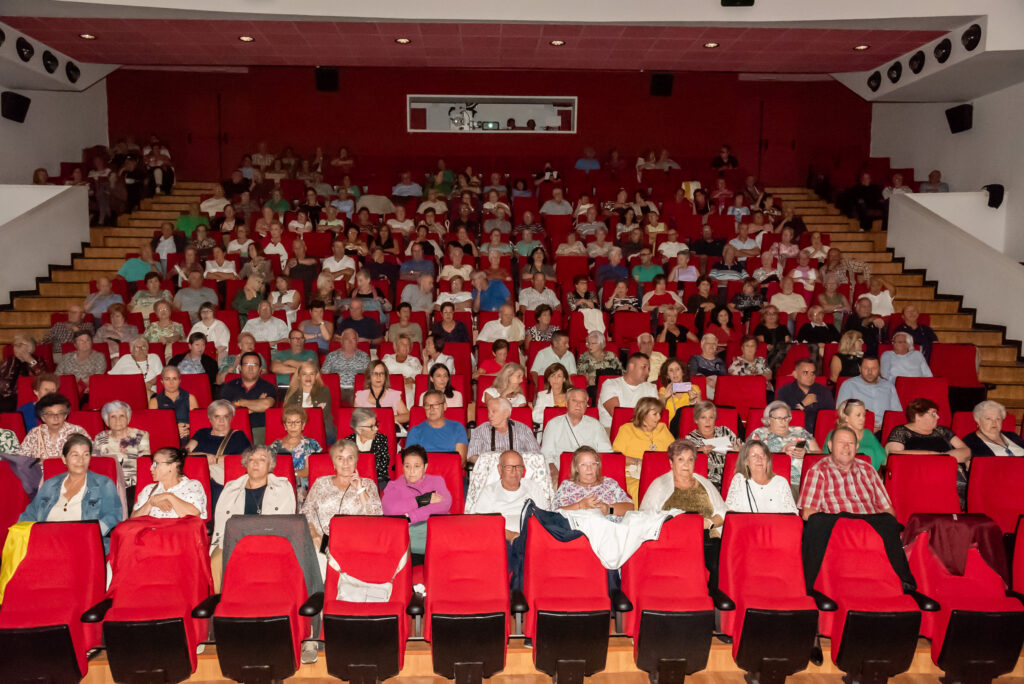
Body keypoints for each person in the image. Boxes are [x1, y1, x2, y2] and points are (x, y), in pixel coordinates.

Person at [798, 427, 917, 592]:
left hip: (870, 524)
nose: (846, 447)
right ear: (831, 446)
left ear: (857, 447)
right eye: (841, 443)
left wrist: (868, 524)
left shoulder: (868, 470)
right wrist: (844, 523)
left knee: (889, 521)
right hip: (839, 526)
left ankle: (905, 583)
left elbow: (888, 510)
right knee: (817, 522)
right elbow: (808, 513)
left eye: (850, 443)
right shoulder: (818, 470)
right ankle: (810, 588)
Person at [210, 446, 297, 587]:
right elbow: (222, 521)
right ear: (246, 464)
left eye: (262, 460)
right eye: (251, 459)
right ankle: (222, 601)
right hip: (234, 540)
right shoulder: (231, 488)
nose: (255, 463)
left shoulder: (283, 487)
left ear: (270, 466)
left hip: (268, 539)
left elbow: (284, 523)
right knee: (216, 560)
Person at [19, 434, 122, 549]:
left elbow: (113, 517)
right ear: (64, 459)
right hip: (46, 542)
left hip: (84, 545)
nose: (81, 460)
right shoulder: (50, 484)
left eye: (86, 454)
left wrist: (87, 535)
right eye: (75, 455)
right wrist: (24, 534)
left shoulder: (103, 484)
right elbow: (30, 514)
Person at [640, 440, 726, 541]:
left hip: (706, 541)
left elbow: (723, 512)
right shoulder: (659, 484)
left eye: (690, 460)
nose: (686, 464)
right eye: (681, 459)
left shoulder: (704, 483)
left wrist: (709, 523)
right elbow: (644, 518)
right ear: (671, 463)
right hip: (670, 541)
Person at [382, 445, 453, 554]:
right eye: (407, 466)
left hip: (434, 529)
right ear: (402, 467)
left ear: (425, 467)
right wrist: (422, 500)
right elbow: (390, 509)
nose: (411, 471)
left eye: (417, 466)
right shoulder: (394, 485)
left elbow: (444, 504)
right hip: (409, 535)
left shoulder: (436, 481)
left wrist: (410, 517)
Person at [884, 398, 970, 487]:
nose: (938, 417)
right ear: (918, 416)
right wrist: (935, 456)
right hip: (918, 476)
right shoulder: (901, 431)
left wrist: (944, 457)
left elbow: (966, 450)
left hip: (948, 472)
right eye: (933, 413)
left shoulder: (943, 430)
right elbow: (895, 454)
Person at [467, 449, 550, 541]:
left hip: (531, 538)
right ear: (500, 469)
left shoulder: (533, 487)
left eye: (518, 467)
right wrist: (509, 535)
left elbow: (544, 518)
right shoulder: (489, 491)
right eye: (509, 467)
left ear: (523, 469)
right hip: (500, 539)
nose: (514, 471)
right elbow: (481, 522)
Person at [612, 397, 674, 503]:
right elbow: (616, 458)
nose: (659, 417)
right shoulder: (626, 429)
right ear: (643, 414)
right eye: (655, 414)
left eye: (660, 413)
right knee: (643, 492)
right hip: (634, 476)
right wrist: (638, 462)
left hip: (660, 473)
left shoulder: (662, 428)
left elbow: (675, 451)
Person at [749, 401, 820, 486]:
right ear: (769, 420)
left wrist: (807, 454)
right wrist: (780, 455)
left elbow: (820, 455)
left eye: (786, 418)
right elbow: (750, 460)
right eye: (779, 418)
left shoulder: (800, 431)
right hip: (773, 482)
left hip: (805, 481)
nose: (783, 422)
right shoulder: (759, 434)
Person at [93, 399, 150, 503]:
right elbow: (96, 465)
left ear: (128, 418)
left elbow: (144, 465)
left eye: (122, 416)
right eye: (113, 416)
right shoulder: (100, 438)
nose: (117, 420)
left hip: (133, 485)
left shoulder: (140, 436)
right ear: (107, 420)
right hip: (107, 484)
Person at [553, 447, 633, 520]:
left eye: (593, 464)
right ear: (576, 468)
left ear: (598, 466)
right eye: (583, 465)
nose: (589, 469)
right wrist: (580, 506)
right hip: (578, 532)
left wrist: (608, 509)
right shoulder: (567, 486)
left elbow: (630, 507)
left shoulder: (609, 483)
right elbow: (554, 513)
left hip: (611, 530)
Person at [724, 439, 798, 513]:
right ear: (746, 461)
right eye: (754, 456)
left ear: (767, 460)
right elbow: (730, 512)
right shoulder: (740, 479)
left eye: (762, 455)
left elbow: (793, 515)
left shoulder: (781, 482)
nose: (759, 459)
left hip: (776, 524)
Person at [132, 446, 208, 519]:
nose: (151, 468)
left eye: (155, 464)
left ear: (172, 466)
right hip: (152, 530)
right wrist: (150, 502)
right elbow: (133, 520)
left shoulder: (192, 485)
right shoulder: (149, 489)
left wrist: (169, 496)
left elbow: (194, 515)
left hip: (178, 531)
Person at [218, 351, 276, 443]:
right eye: (246, 364)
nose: (250, 368)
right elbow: (225, 410)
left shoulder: (268, 386)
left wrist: (240, 402)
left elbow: (266, 404)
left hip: (259, 428)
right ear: (240, 367)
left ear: (260, 369)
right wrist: (255, 405)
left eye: (254, 364)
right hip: (234, 427)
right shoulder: (229, 386)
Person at [467, 397, 539, 465]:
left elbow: (536, 454)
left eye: (493, 411)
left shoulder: (523, 430)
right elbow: (471, 456)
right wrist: (489, 462)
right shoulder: (480, 431)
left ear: (506, 413)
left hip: (517, 472)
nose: (489, 415)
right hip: (489, 472)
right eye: (488, 411)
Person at [268, 405, 322, 495]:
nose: (293, 426)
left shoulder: (311, 444)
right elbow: (270, 471)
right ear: (285, 426)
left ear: (303, 425)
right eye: (289, 422)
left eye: (297, 422)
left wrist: (290, 475)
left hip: (304, 489)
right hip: (279, 487)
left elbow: (308, 471)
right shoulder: (275, 446)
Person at [836, 356, 902, 426]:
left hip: (884, 429)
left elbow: (896, 414)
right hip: (858, 428)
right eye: (866, 368)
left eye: (873, 368)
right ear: (860, 368)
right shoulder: (849, 385)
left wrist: (883, 427)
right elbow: (841, 413)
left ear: (879, 369)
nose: (870, 372)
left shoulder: (889, 386)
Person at [823, 398, 887, 470]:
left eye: (864, 415)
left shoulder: (867, 433)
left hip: (869, 477)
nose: (862, 419)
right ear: (846, 418)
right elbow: (826, 462)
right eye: (858, 415)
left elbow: (884, 459)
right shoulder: (834, 435)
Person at [598, 353, 658, 429]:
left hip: (644, 430)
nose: (647, 372)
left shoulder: (651, 387)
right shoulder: (610, 384)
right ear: (631, 367)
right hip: (614, 430)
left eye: (648, 369)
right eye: (644, 367)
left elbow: (655, 415)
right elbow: (618, 415)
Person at [776, 358, 835, 432]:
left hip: (819, 433)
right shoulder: (784, 391)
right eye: (805, 373)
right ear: (795, 374)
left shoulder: (824, 391)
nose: (810, 376)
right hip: (793, 433)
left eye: (812, 373)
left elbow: (830, 417)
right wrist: (802, 404)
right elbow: (781, 418)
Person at [0, 335, 49, 412]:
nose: (17, 347)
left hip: (30, 397)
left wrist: (30, 360)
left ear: (30, 348)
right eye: (15, 345)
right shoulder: (8, 361)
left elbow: (44, 378)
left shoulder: (38, 361)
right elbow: (2, 384)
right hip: (7, 396)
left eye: (21, 344)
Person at [321, 328, 371, 403]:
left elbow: (370, 377)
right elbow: (324, 376)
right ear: (341, 341)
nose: (350, 342)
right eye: (347, 339)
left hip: (357, 391)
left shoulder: (364, 357)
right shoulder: (332, 356)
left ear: (357, 341)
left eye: (353, 339)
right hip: (335, 390)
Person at [149, 365, 198, 442]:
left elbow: (197, 423)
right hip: (165, 437)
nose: (171, 383)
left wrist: (187, 428)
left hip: (187, 436)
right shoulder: (154, 401)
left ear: (179, 380)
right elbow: (154, 426)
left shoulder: (190, 398)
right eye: (167, 379)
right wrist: (174, 429)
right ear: (162, 381)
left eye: (174, 379)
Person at [55, 330, 106, 399]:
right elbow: (57, 374)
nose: (85, 343)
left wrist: (83, 384)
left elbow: (98, 376)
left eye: (88, 340)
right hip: (68, 388)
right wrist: (72, 382)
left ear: (91, 342)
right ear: (75, 344)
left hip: (88, 390)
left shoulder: (99, 356)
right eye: (81, 341)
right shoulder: (66, 357)